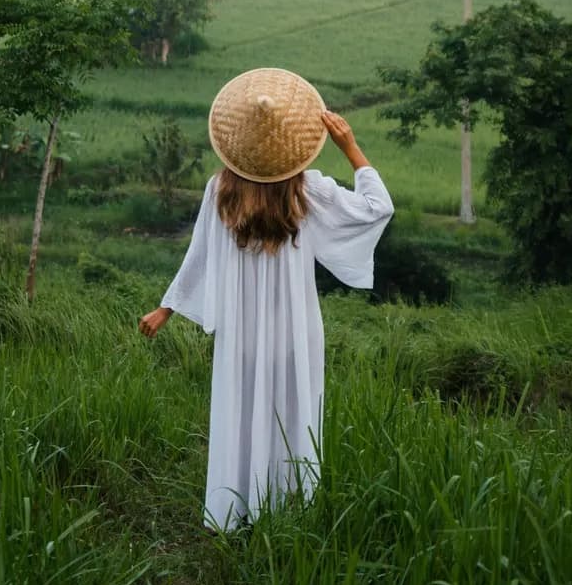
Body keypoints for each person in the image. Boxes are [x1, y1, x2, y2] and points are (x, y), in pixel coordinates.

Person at [138, 67, 394, 531]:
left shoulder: (221, 191)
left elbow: (198, 255)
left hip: (242, 332)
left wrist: (166, 308)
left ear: (237, 144)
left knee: (241, 411)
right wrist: (351, 147)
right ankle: (288, 510)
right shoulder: (307, 190)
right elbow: (378, 208)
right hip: (294, 329)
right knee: (291, 412)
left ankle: (236, 510)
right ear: (292, 146)